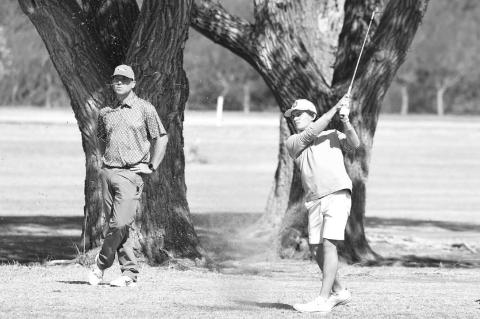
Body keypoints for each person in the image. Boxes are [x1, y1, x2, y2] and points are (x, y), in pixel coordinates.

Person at [88, 64, 168, 287]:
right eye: (116, 79)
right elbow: (101, 139)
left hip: (131, 175)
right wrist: (105, 162)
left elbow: (161, 137)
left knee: (119, 223)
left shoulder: (145, 109)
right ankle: (129, 275)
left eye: (124, 79)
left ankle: (101, 264)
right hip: (107, 173)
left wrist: (152, 166)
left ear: (133, 83)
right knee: (119, 227)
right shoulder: (106, 113)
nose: (119, 82)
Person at [284, 95, 360, 313]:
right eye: (293, 115)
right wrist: (335, 109)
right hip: (314, 199)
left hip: (337, 193)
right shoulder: (293, 142)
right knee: (316, 248)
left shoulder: (332, 135)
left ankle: (323, 299)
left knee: (329, 244)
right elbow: (311, 133)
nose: (295, 118)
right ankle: (340, 292)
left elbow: (355, 145)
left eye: (300, 114)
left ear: (312, 115)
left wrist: (345, 120)